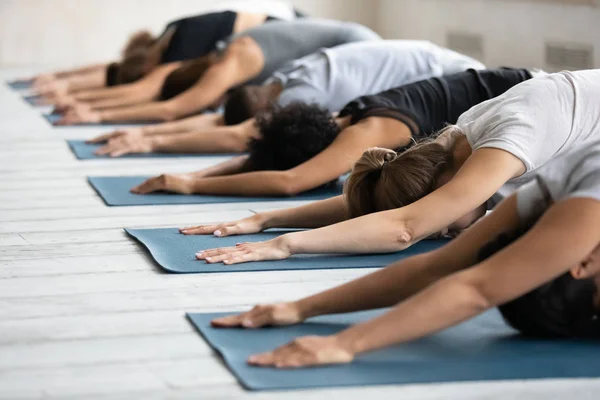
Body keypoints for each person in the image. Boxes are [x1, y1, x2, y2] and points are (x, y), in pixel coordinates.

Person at [208, 139, 600, 368]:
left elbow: (476, 288)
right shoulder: (571, 192)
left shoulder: (567, 195)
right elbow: (442, 269)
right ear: (579, 262)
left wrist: (344, 342)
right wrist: (298, 309)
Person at [183, 69, 600, 267]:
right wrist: (267, 220)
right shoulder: (446, 148)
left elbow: (405, 226)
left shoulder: (502, 143)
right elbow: (380, 206)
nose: (443, 231)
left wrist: (286, 245)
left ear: (441, 186)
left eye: (443, 225)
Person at [128, 68, 532, 199]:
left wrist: (190, 186)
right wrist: (198, 175)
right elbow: (272, 155)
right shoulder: (344, 115)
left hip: (528, 95)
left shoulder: (372, 127)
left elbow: (291, 180)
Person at [90, 40, 485, 157]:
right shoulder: (284, 77)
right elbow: (218, 121)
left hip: (457, 79)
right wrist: (146, 135)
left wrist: (151, 140)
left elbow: (238, 136)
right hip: (441, 65)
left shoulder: (301, 92)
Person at [54, 19, 381, 125]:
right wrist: (87, 103)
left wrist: (95, 115)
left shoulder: (229, 62)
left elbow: (173, 109)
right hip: (356, 46)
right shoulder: (218, 56)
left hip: (358, 49)